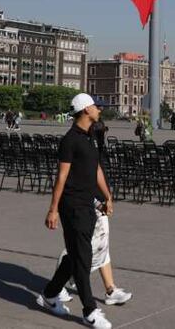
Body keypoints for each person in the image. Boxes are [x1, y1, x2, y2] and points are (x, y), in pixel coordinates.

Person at [39, 93, 115, 328]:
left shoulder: (91, 136)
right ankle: (89, 311)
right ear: (85, 110)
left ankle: (50, 294)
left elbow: (96, 170)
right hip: (72, 206)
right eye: (95, 106)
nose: (99, 110)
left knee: (75, 255)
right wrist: (53, 210)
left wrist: (107, 196)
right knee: (83, 257)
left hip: (88, 203)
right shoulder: (70, 140)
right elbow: (61, 177)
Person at [57, 120, 132, 308]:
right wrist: (99, 201)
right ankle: (59, 287)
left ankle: (110, 289)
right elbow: (77, 177)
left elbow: (98, 172)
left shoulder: (93, 145)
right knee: (80, 249)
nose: (102, 135)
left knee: (101, 246)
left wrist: (107, 197)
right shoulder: (80, 143)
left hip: (96, 202)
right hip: (87, 203)